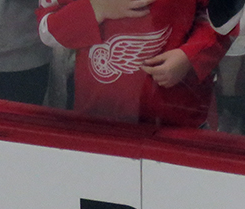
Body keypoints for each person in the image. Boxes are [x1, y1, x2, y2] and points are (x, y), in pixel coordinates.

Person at [37, 0, 235, 126]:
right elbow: (48, 28)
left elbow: (225, 23)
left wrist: (188, 56)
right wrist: (97, 7)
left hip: (177, 118)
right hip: (98, 117)